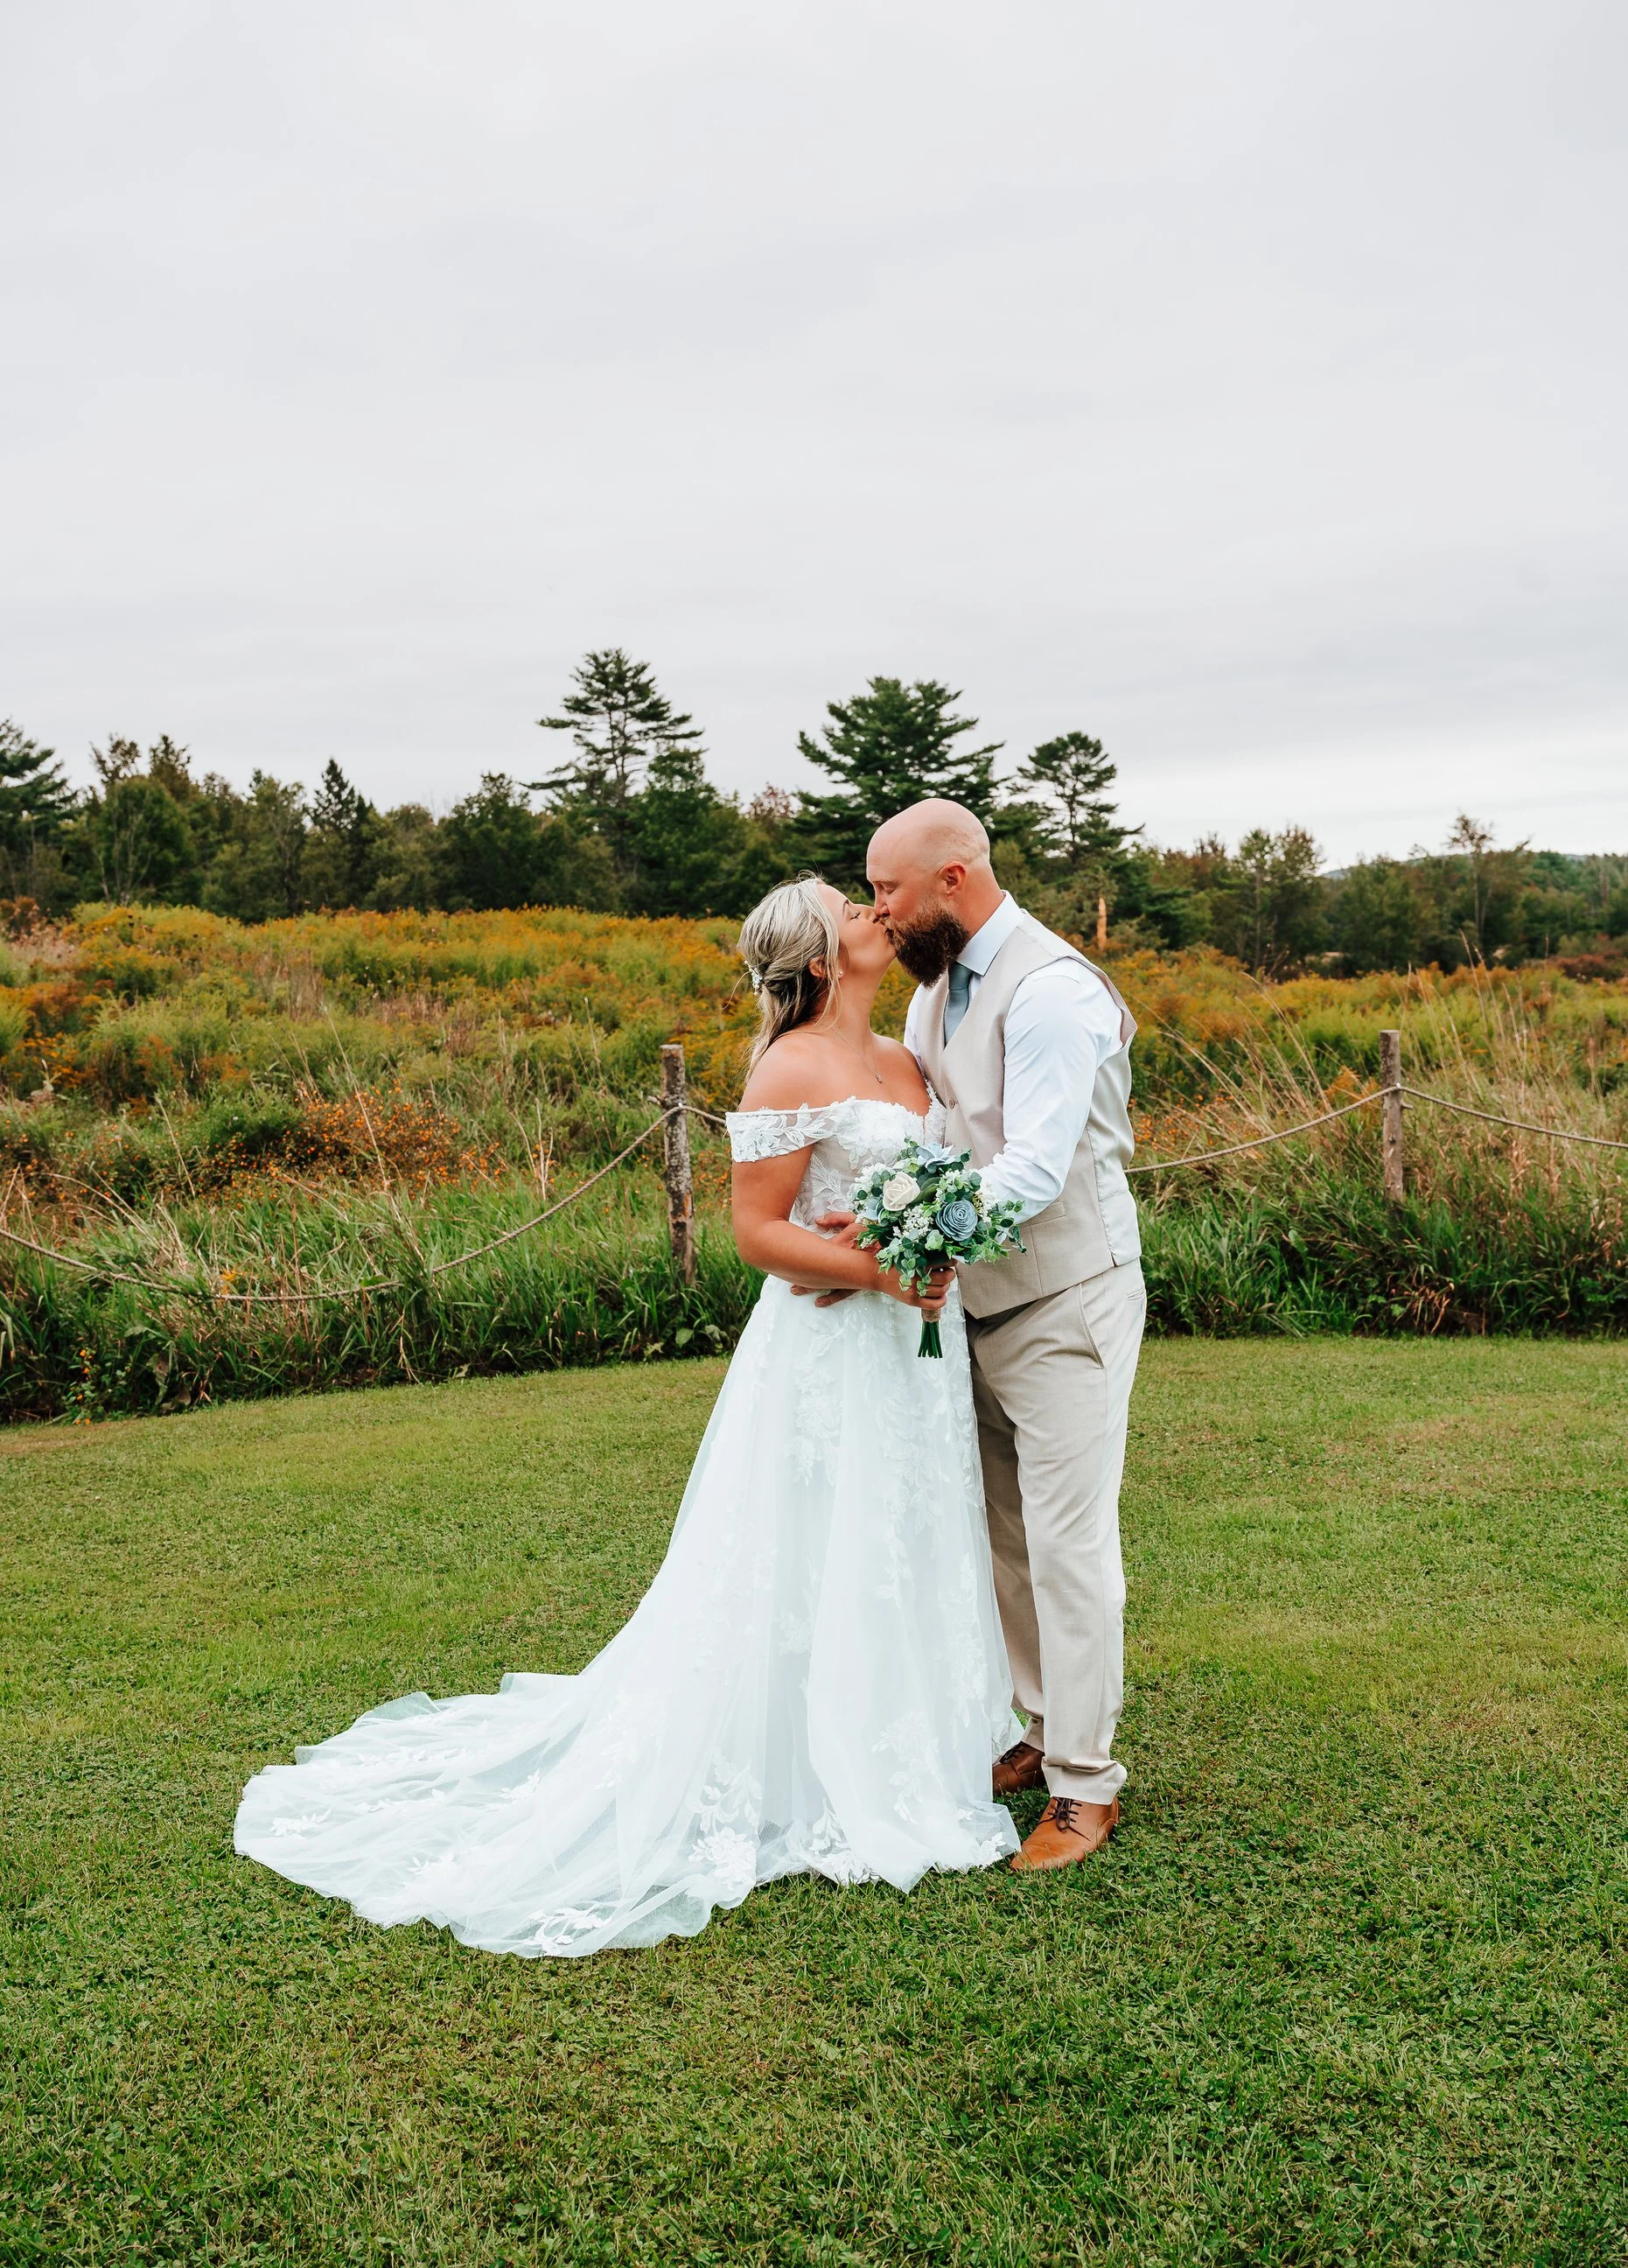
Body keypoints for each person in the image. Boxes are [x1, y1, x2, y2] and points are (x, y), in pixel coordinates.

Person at [234, 875, 1021, 1957]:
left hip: (911, 1357)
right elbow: (756, 1234)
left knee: (902, 1531)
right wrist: (882, 1273)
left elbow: (932, 1183)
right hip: (837, 1349)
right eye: (850, 907)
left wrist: (924, 1243)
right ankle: (804, 1758)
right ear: (818, 956)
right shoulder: (789, 1066)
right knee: (811, 1542)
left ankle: (914, 1739)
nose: (873, 911)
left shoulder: (906, 1057)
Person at [812, 799, 1145, 1871]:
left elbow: (1036, 1168)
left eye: (887, 892)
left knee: (1067, 1545)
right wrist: (884, 1223)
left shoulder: (1049, 992)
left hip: (1064, 1302)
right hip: (976, 1306)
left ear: (952, 879)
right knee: (1005, 1539)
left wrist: (917, 1242)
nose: (878, 911)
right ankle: (1043, 1735)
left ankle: (1087, 1788)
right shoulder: (931, 996)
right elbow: (949, 1134)